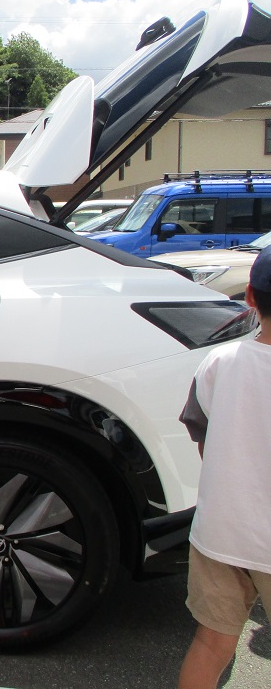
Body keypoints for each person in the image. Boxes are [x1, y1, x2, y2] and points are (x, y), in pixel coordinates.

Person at [176, 245, 271, 689]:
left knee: (211, 643)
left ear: (249, 297)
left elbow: (204, 439)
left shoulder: (219, 362)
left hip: (220, 532)